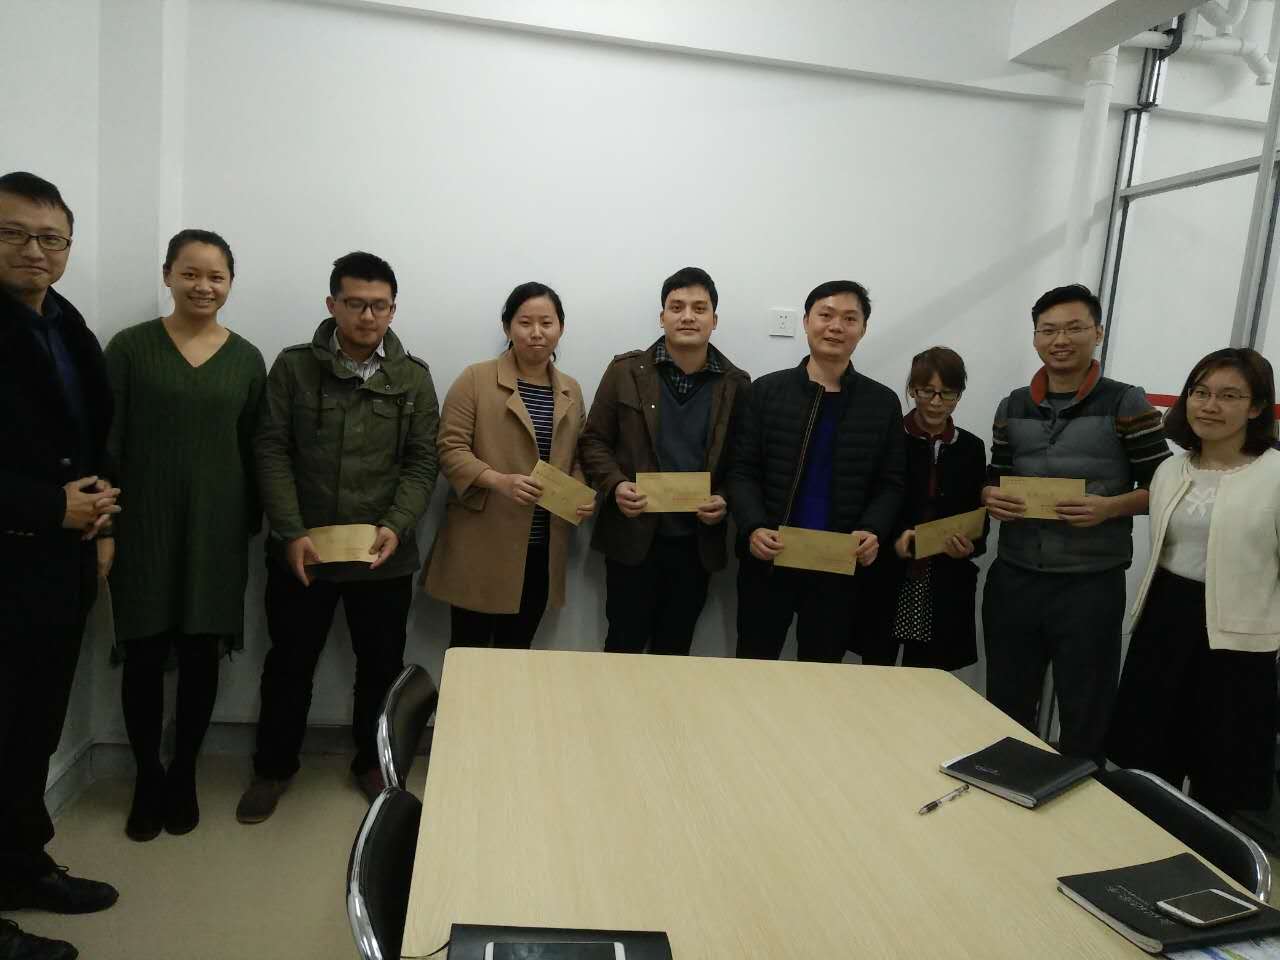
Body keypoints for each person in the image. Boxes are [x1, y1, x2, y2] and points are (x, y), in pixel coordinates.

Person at [237, 251, 440, 824]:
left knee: (381, 667)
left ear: (393, 309)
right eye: (355, 303)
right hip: (303, 552)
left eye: (379, 305)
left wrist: (396, 525)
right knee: (288, 664)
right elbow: (270, 450)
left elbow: (422, 461)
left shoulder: (413, 377)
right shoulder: (294, 367)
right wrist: (289, 531)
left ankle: (372, 765)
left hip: (382, 557)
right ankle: (273, 768)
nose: (367, 316)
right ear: (332, 304)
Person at [103, 229, 266, 842]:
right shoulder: (129, 348)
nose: (203, 286)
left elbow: (255, 448)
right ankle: (148, 776)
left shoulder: (246, 359)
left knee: (201, 655)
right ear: (168, 274)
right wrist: (106, 526)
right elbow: (106, 442)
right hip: (142, 528)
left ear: (230, 283)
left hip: (216, 531)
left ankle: (184, 773)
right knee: (143, 655)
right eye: (190, 273)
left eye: (216, 276)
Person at [0, 172, 119, 959]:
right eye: (14, 233)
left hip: (59, 566)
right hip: (11, 554)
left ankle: (20, 868)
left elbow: (95, 435)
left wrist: (103, 521)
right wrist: (51, 507)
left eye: (51, 238)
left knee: (31, 730)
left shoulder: (67, 324)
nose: (34, 250)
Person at [981, 283, 1170, 761]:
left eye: (1073, 328)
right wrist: (989, 496)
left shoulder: (1126, 402)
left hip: (1090, 582)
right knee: (1006, 703)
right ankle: (1008, 781)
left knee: (1085, 710)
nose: (1060, 340)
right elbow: (995, 475)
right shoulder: (1012, 405)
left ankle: (1085, 792)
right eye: (1048, 330)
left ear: (1097, 333)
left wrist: (1109, 507)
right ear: (1035, 338)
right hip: (1015, 576)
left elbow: (1166, 488)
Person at [1108, 348, 1279, 819]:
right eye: (1200, 393)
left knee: (1220, 775)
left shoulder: (1273, 475)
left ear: (1256, 407)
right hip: (1166, 619)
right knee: (1149, 761)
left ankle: (1207, 860)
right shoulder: (1170, 469)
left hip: (1238, 640)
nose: (1210, 406)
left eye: (1229, 396)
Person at [728, 280, 903, 662]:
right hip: (770, 558)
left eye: (849, 318)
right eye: (826, 315)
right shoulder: (766, 392)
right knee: (753, 667)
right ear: (807, 321)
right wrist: (753, 526)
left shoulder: (882, 403)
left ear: (863, 329)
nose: (836, 326)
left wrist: (872, 529)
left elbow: (891, 483)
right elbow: (741, 471)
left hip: (838, 565)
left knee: (823, 674)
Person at [579, 266, 750, 655]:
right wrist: (616, 485)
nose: (688, 316)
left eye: (699, 308)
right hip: (633, 537)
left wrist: (725, 498)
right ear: (662, 317)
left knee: (675, 650)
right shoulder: (625, 371)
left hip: (696, 544)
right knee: (623, 645)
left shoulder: (736, 384)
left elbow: (743, 461)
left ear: (714, 320)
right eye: (677, 307)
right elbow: (593, 441)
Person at [425, 282, 592, 646]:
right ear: (507, 327)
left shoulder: (571, 389)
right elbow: (449, 448)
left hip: (542, 547)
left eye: (546, 323)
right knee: (469, 653)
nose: (536, 333)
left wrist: (580, 493)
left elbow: (579, 455)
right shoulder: (475, 379)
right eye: (525, 322)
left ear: (561, 327)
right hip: (482, 541)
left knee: (516, 654)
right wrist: (499, 481)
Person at [860, 347, 988, 670]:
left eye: (948, 393)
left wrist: (970, 546)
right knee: (876, 670)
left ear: (959, 395)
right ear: (912, 390)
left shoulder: (971, 447)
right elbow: (866, 502)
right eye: (926, 391)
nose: (936, 402)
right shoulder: (888, 438)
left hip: (942, 579)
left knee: (927, 677)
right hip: (888, 574)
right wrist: (895, 539)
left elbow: (978, 518)